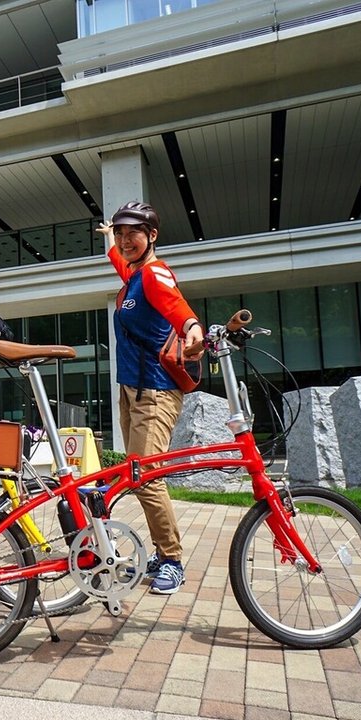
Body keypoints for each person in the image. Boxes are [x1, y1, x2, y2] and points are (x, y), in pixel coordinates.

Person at [97, 201, 204, 594]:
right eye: (121, 233)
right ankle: (162, 552)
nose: (126, 241)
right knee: (139, 474)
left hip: (155, 392)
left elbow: (177, 305)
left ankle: (173, 560)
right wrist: (111, 240)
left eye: (132, 234)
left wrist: (191, 325)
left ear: (152, 236)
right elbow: (120, 262)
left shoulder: (155, 275)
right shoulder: (134, 276)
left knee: (145, 478)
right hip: (133, 391)